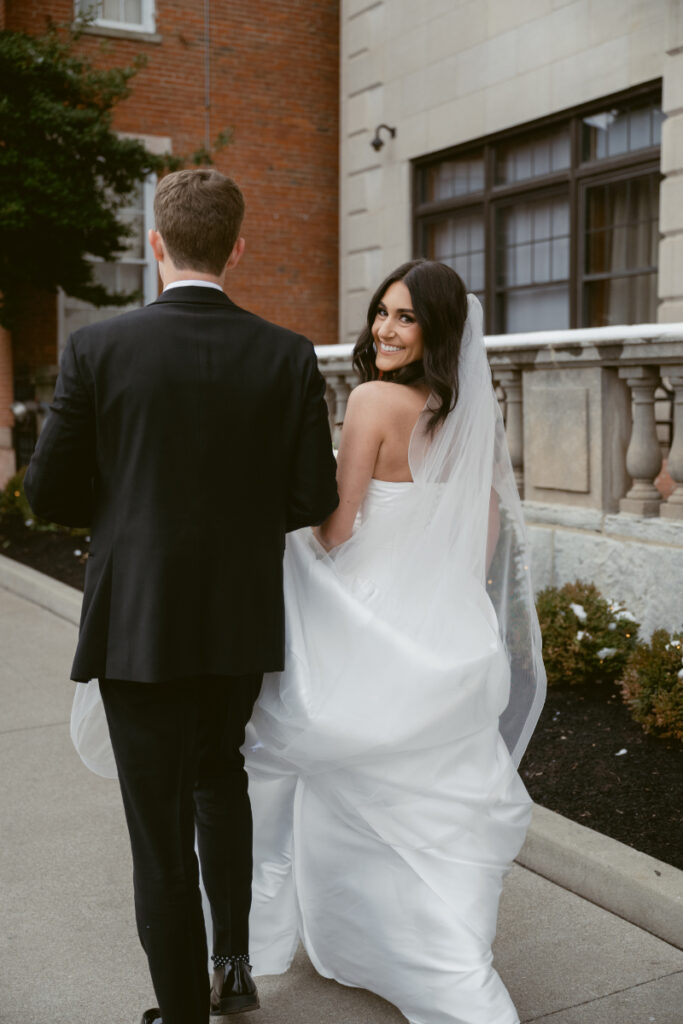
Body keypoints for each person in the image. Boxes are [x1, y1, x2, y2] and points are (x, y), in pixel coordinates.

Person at [24, 168, 339, 1024]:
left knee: (155, 826)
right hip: (238, 618)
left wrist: (128, 501)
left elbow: (45, 495)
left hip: (138, 622)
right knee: (218, 777)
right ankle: (231, 965)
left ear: (154, 244)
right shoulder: (285, 353)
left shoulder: (99, 348)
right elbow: (314, 497)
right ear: (236, 247)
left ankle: (184, 1013)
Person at [240, 260, 547, 1023]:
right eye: (381, 312)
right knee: (427, 800)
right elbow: (482, 533)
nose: (383, 328)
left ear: (434, 328)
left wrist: (279, 541)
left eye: (404, 317)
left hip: (368, 611)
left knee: (335, 779)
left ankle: (368, 947)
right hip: (442, 621)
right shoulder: (467, 407)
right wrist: (451, 606)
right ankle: (421, 953)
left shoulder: (372, 400)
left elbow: (338, 528)